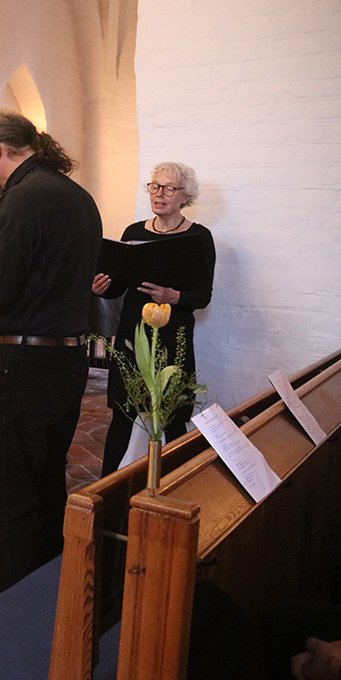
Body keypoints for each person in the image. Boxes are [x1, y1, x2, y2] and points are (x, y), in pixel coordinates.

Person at [0, 109, 102, 596]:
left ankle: (9, 618)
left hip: (24, 365)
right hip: (68, 361)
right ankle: (46, 601)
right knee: (47, 486)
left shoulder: (21, 199)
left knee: (10, 500)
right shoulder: (77, 196)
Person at [93, 162, 215, 475]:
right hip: (133, 335)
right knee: (123, 412)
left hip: (173, 338)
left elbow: (202, 297)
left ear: (185, 196)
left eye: (168, 188)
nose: (159, 194)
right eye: (154, 186)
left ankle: (179, 482)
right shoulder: (133, 233)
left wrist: (173, 297)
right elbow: (119, 286)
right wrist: (102, 288)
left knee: (171, 416)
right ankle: (105, 491)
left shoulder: (199, 237)